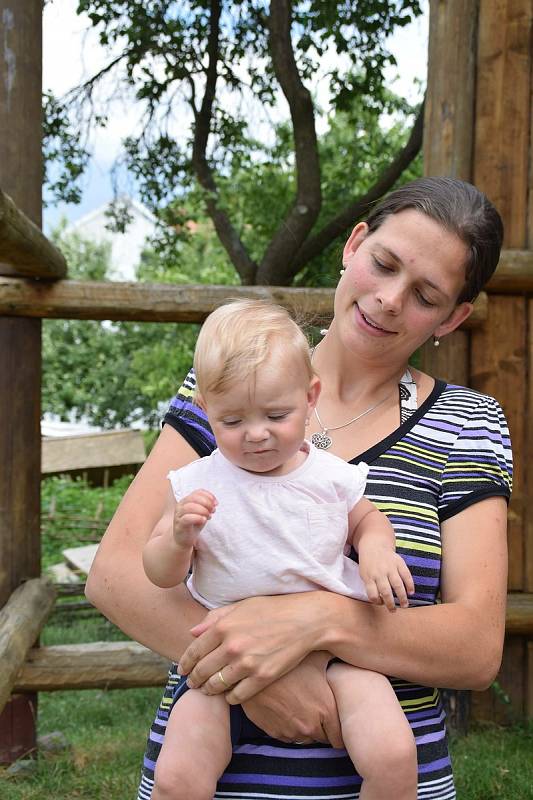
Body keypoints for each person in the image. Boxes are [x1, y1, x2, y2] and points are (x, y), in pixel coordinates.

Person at [85, 176, 512, 800]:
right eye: (384, 264)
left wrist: (318, 622)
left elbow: (475, 648)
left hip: (389, 764)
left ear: (454, 317)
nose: (390, 299)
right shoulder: (228, 386)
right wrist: (256, 678)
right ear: (354, 244)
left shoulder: (470, 424)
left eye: (425, 295)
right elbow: (116, 574)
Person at [142, 299, 418, 800]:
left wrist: (377, 552)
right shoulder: (194, 483)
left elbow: (368, 521)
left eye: (276, 414)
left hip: (335, 657)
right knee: (177, 778)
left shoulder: (331, 477)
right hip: (224, 667)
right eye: (232, 421)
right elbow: (158, 572)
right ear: (204, 409)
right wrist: (179, 537)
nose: (257, 434)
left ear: (309, 396)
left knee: (395, 755)